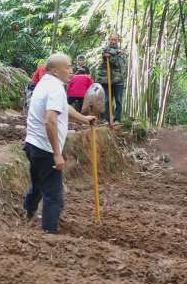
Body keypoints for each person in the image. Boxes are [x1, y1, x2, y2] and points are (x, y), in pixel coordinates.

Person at [24, 53, 96, 234]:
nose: (72, 71)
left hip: (32, 144)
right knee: (54, 196)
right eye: (68, 67)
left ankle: (28, 212)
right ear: (55, 71)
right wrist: (57, 154)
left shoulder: (46, 83)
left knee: (39, 183)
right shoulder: (55, 88)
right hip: (45, 149)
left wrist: (84, 119)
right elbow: (50, 120)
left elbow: (64, 106)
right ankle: (50, 234)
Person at [96, 34, 127, 123]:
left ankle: (117, 119)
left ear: (118, 40)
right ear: (109, 40)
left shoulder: (122, 51)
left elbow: (123, 65)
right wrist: (117, 52)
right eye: (112, 39)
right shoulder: (106, 49)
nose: (113, 41)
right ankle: (106, 118)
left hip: (119, 80)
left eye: (115, 40)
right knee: (107, 100)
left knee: (118, 100)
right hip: (107, 79)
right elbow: (108, 56)